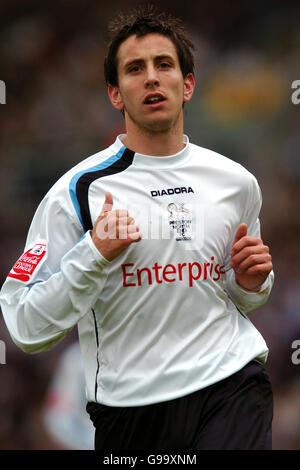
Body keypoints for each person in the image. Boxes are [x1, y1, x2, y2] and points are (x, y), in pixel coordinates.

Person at [0, 6, 274, 450]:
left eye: (164, 65)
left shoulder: (236, 181)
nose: (151, 77)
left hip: (231, 382)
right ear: (115, 93)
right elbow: (26, 326)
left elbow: (240, 291)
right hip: (131, 408)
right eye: (134, 69)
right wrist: (93, 253)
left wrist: (252, 282)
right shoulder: (75, 192)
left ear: (186, 85)